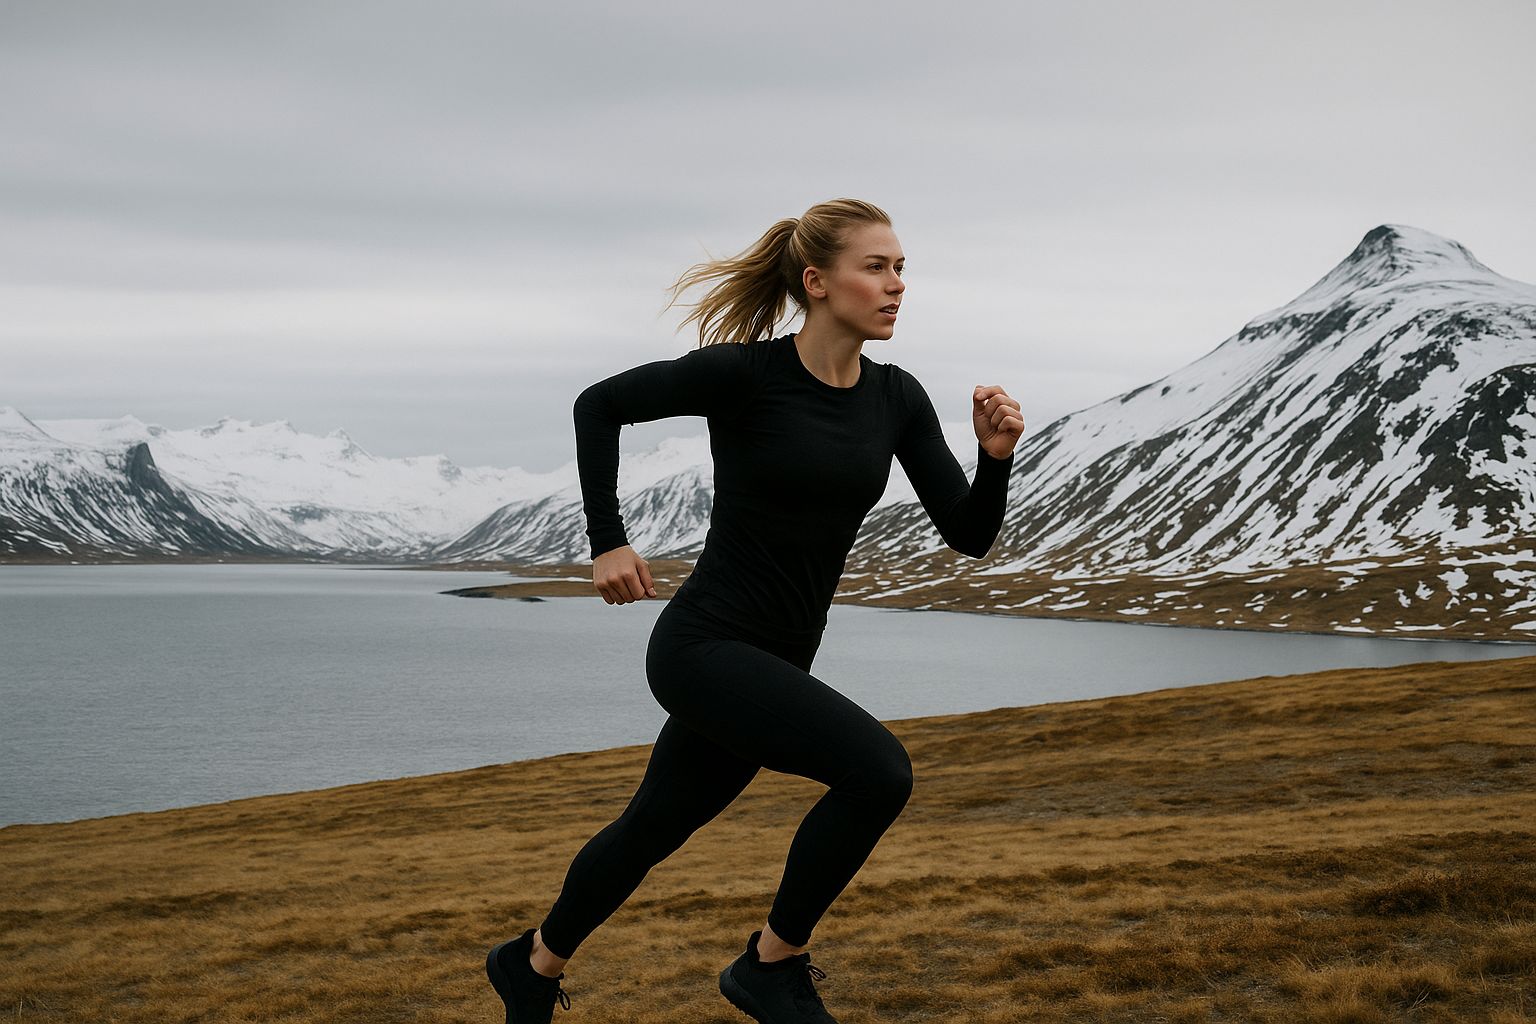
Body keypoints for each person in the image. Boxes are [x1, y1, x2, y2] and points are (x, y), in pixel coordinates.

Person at [485, 198, 1024, 1024]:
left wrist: (994, 460)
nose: (896, 285)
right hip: (705, 645)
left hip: (777, 659)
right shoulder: (745, 376)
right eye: (876, 267)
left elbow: (969, 535)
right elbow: (598, 404)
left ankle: (532, 964)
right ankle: (771, 965)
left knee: (650, 830)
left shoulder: (897, 399)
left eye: (902, 268)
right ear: (817, 282)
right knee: (878, 772)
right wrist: (608, 541)